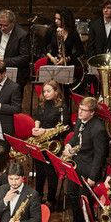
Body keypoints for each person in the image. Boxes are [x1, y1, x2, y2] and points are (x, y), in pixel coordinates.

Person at [62, 97, 109, 222]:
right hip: (76, 166)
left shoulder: (98, 129)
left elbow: (100, 156)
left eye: (84, 110)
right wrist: (69, 145)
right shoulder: (80, 119)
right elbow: (75, 136)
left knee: (84, 201)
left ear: (92, 113)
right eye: (80, 108)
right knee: (72, 195)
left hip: (88, 169)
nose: (80, 112)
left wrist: (93, 177)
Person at [32, 80, 70, 208]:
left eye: (49, 91)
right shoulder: (42, 103)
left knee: (50, 171)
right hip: (40, 140)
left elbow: (64, 127)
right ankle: (38, 194)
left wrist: (44, 131)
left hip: (53, 142)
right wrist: (36, 127)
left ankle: (51, 198)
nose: (46, 94)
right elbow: (37, 117)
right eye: (44, 91)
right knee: (40, 169)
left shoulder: (61, 107)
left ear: (56, 91)